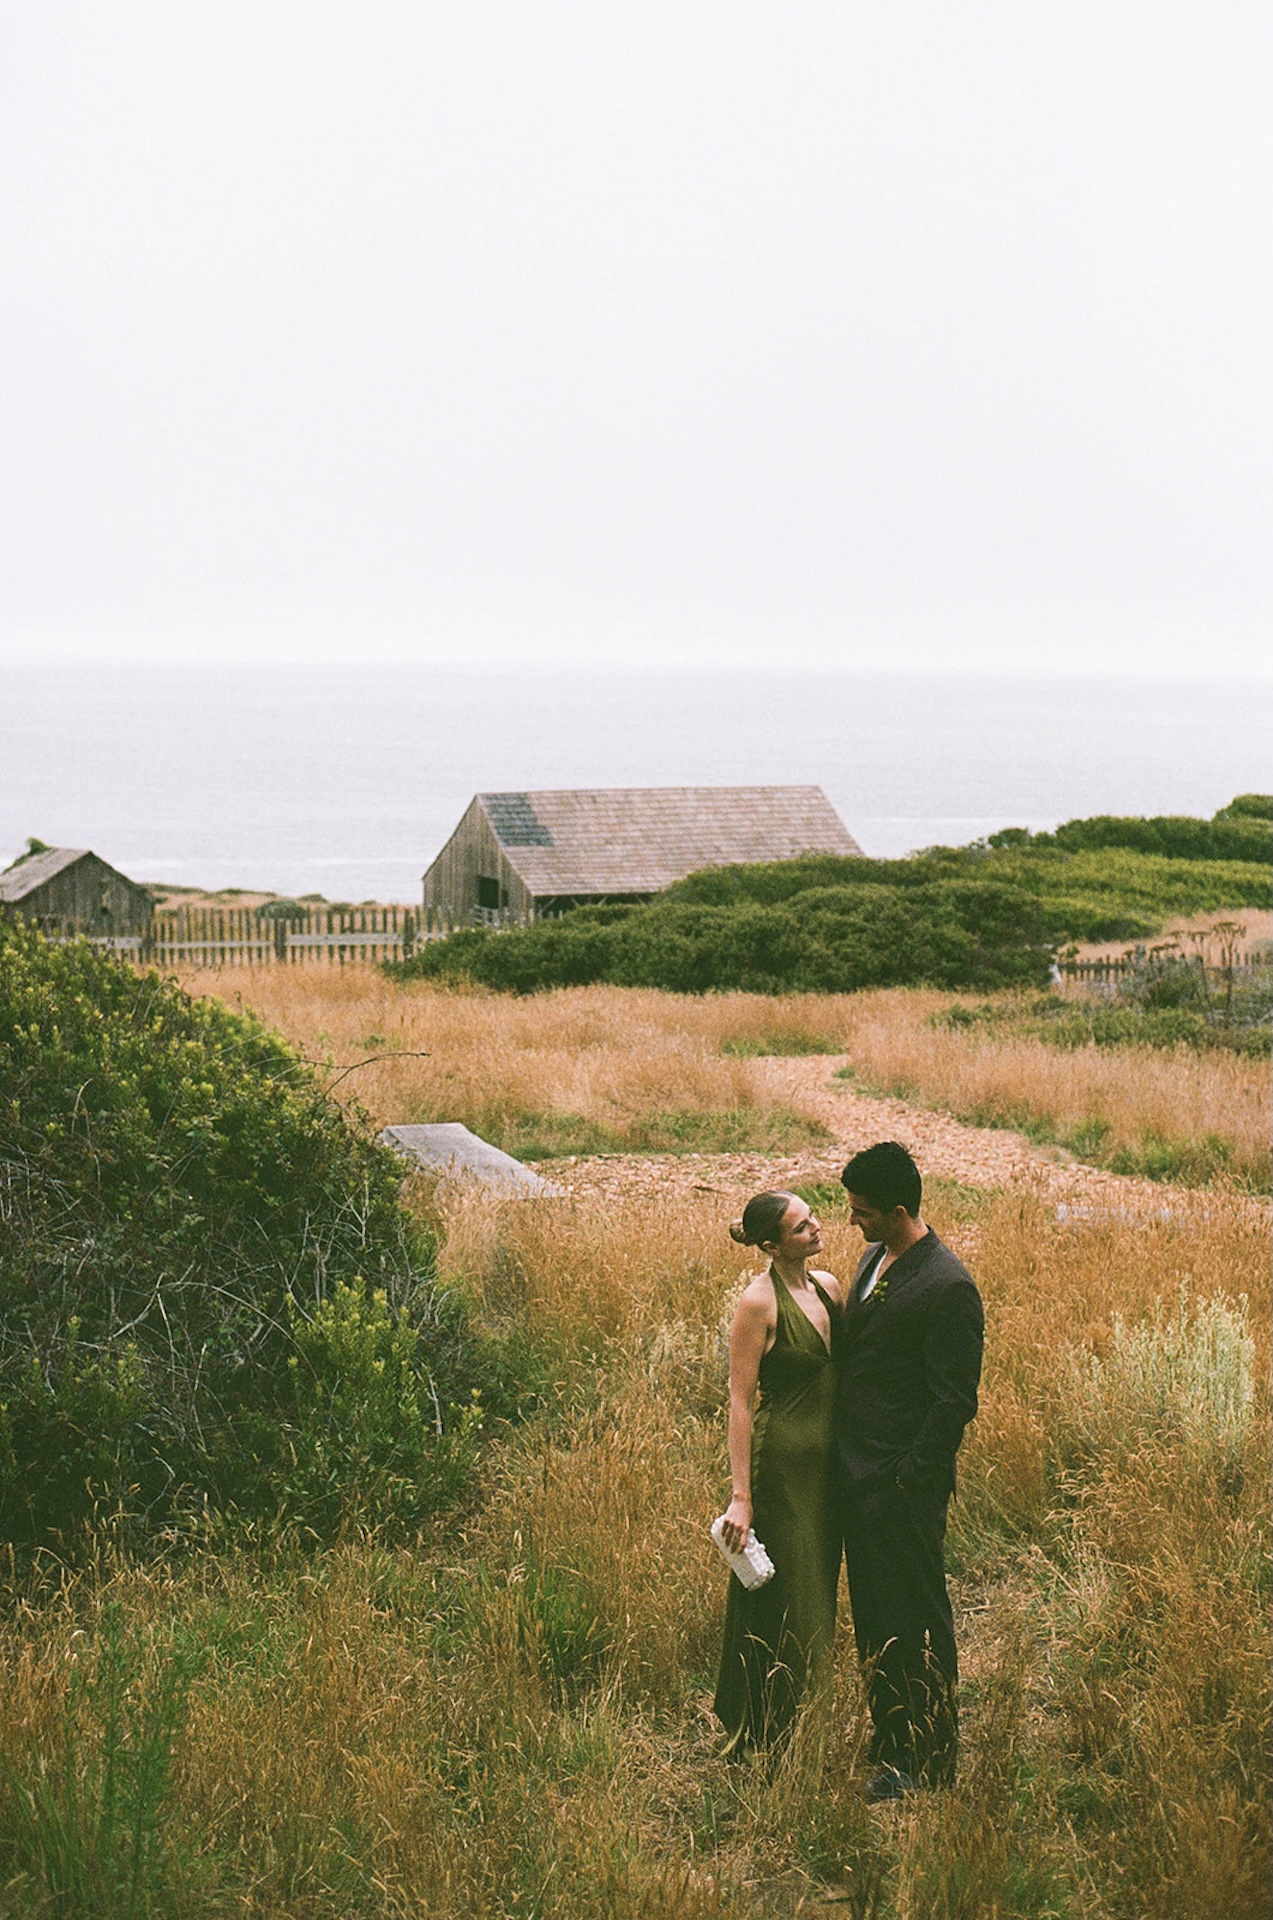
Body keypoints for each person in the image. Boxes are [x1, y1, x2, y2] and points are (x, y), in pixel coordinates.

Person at [835, 1142, 983, 1801]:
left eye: (861, 1212)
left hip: (900, 1489)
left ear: (898, 1211)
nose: (850, 1223)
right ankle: (890, 1737)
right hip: (857, 1479)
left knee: (916, 1619)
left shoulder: (948, 1286)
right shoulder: (874, 1258)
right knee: (874, 1616)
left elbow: (954, 1402)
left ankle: (930, 1759)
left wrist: (904, 1480)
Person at [714, 1191, 843, 1756]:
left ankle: (804, 1718)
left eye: (812, 1216)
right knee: (787, 1593)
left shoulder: (830, 1287)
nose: (815, 1228)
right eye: (799, 1227)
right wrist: (741, 1498)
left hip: (830, 1467)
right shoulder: (757, 1304)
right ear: (770, 1245)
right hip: (783, 1466)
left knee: (821, 1584)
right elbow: (740, 1402)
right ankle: (766, 1730)